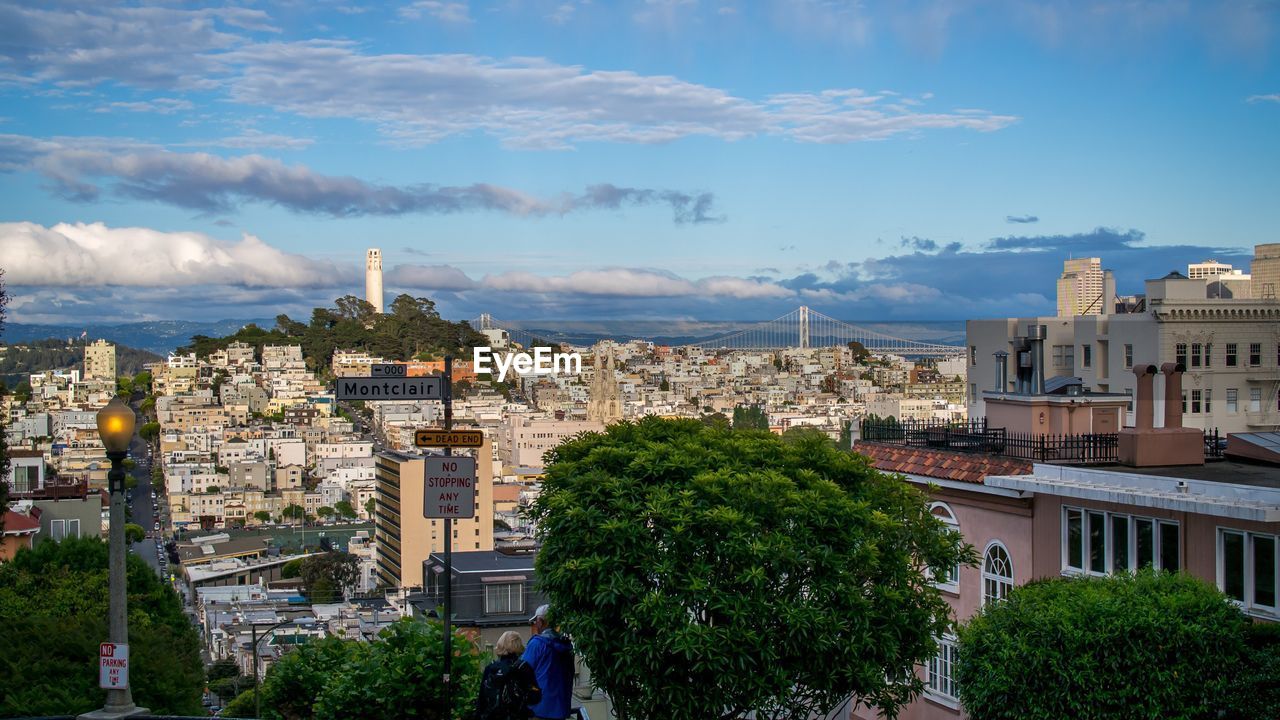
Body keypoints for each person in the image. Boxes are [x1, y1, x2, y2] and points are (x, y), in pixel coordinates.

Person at [522, 604, 575, 720]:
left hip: (539, 709)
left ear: (541, 621)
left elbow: (521, 672)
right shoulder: (566, 646)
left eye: (536, 621)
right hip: (562, 709)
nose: (535, 625)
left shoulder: (537, 644)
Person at [476, 631, 541, 720]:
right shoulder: (523, 667)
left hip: (492, 716)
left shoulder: (491, 668)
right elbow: (535, 697)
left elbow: (481, 700)